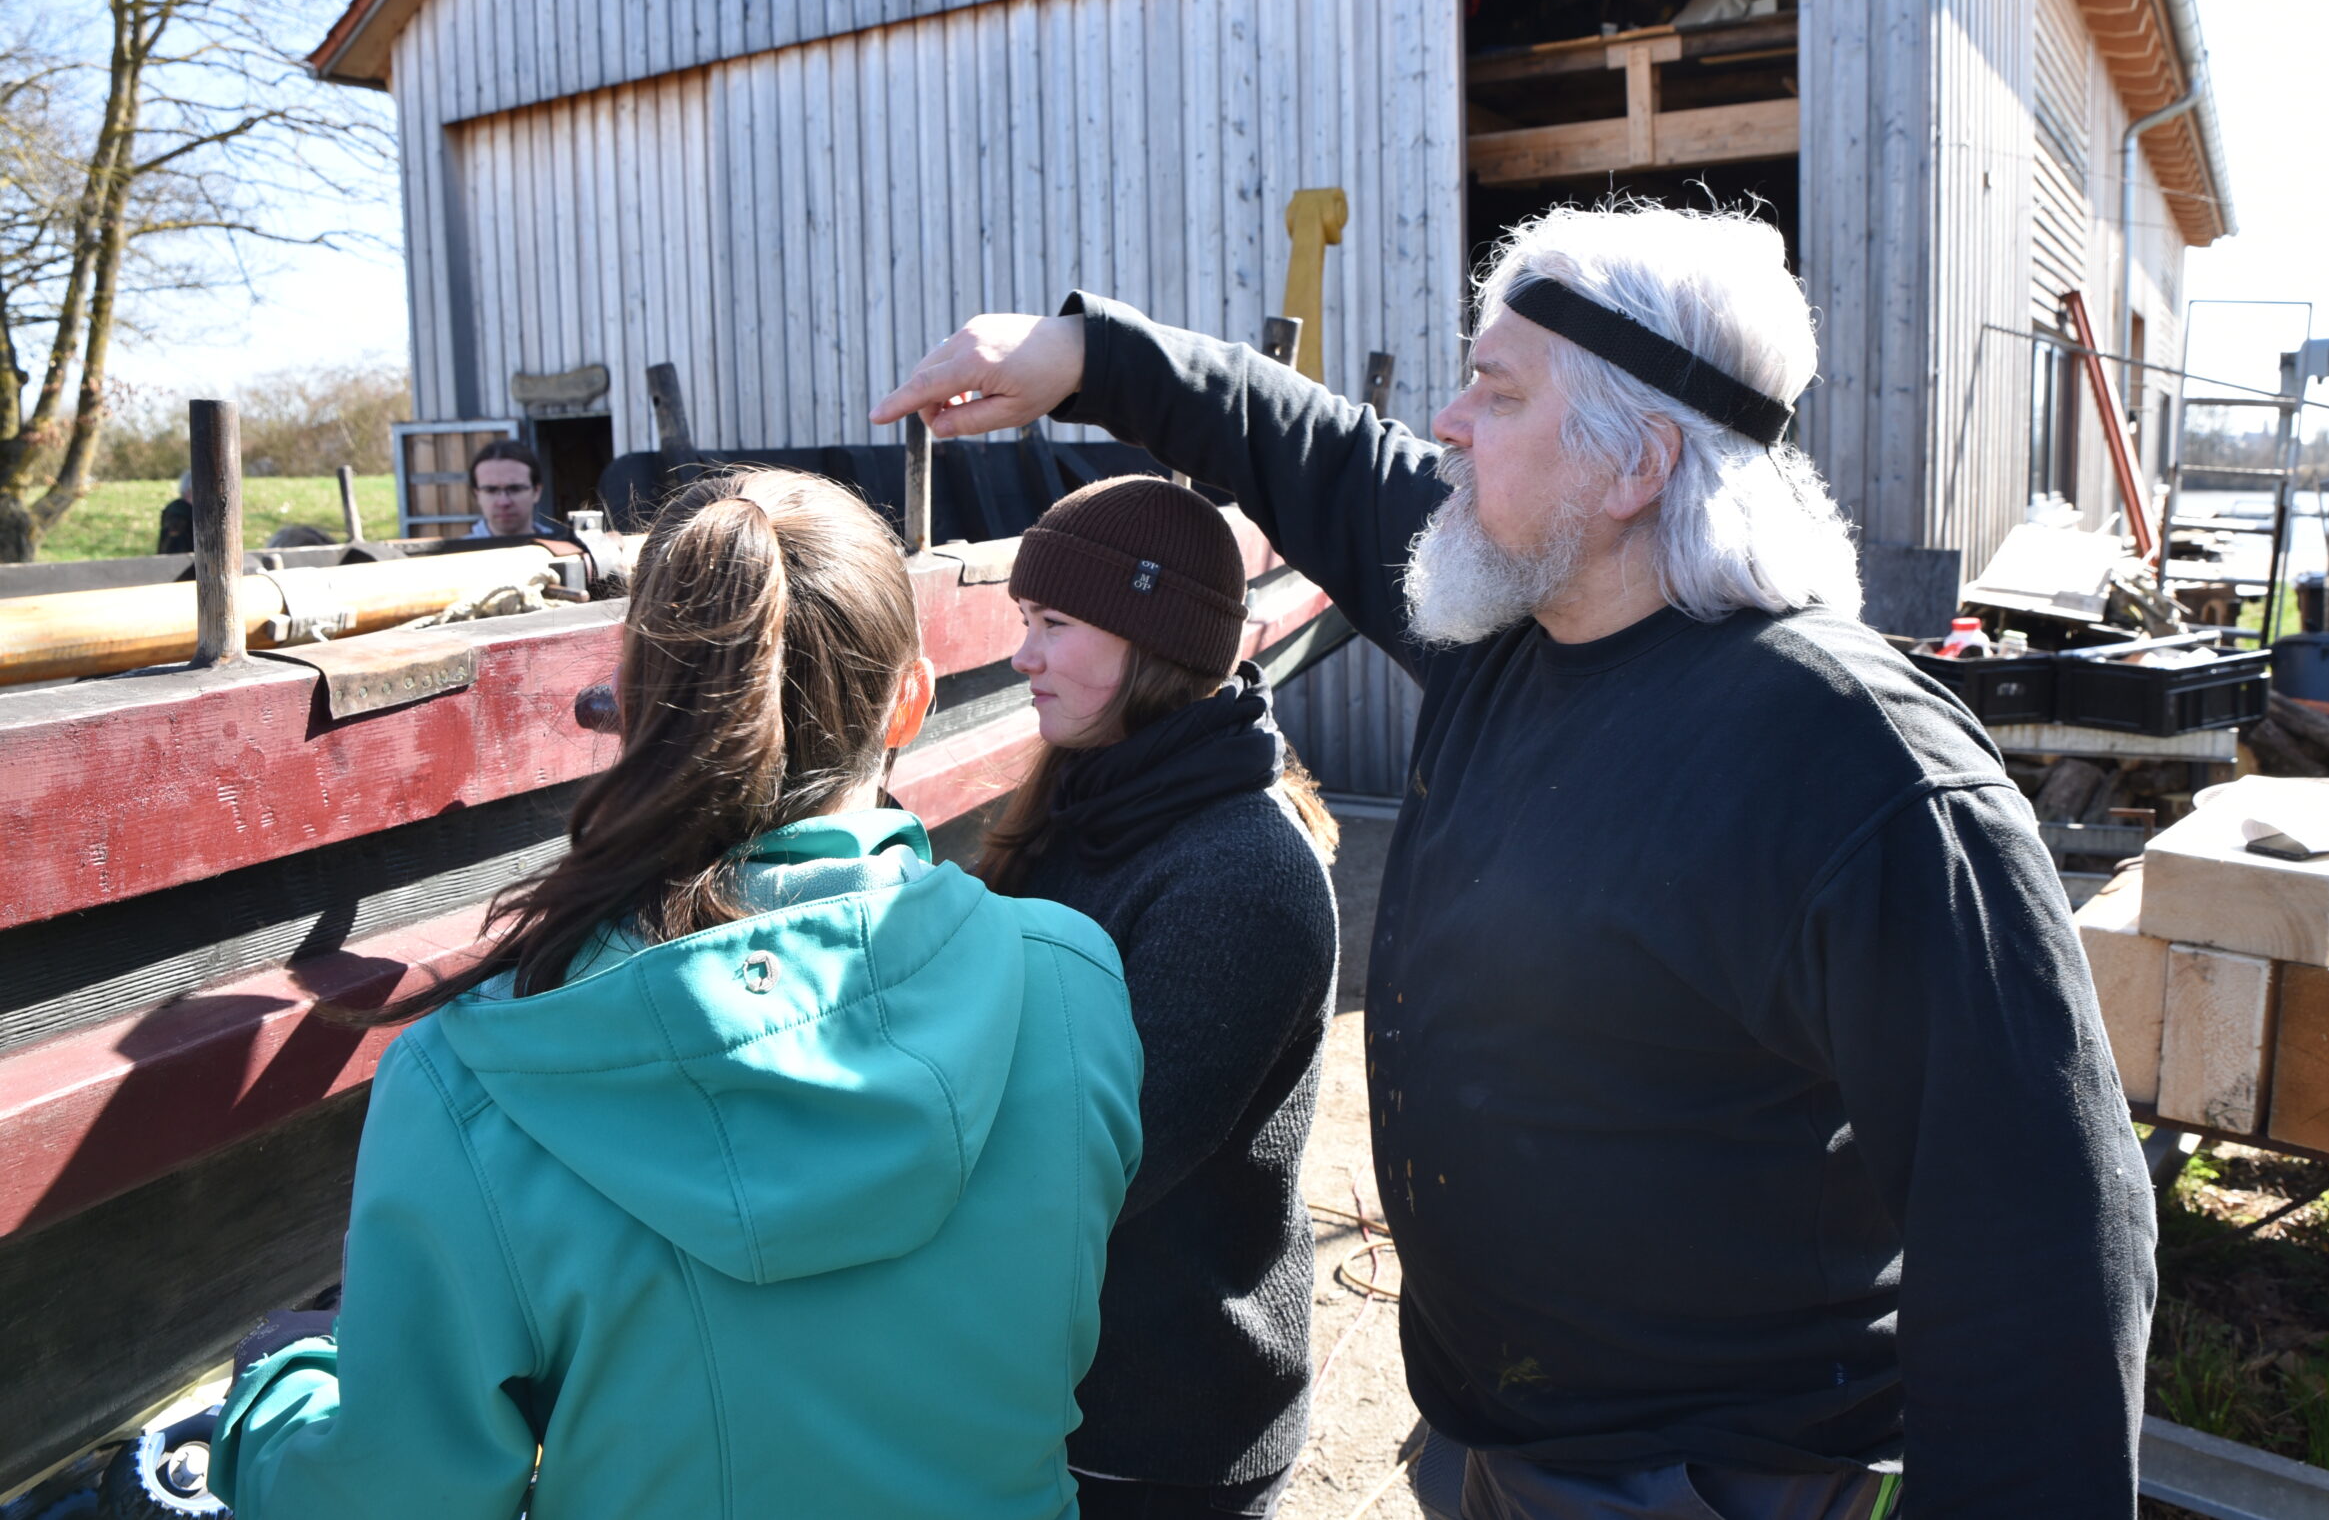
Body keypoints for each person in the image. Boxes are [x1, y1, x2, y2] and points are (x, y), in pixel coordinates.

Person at [874, 203, 2157, 1520]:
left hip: (1726, 1479)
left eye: (1493, 389)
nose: (1445, 423)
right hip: (1500, 1449)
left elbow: (2046, 1236)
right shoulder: (1514, 635)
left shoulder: (1851, 765)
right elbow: (1315, 454)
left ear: (1634, 465)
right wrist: (1090, 357)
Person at [210, 468, 1144, 1520]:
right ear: (913, 700)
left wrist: (272, 1391)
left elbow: (388, 1498)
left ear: (632, 708)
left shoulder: (471, 1071)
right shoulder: (1070, 977)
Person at [975, 475, 1340, 1520]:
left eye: (1052, 623)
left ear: (1153, 638)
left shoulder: (1238, 874)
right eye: (1022, 620)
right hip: (1065, 1385)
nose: (1021, 654)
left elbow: (1102, 1167)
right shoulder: (1090, 792)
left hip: (1162, 1427)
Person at [466, 437, 563, 537]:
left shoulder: (566, 550)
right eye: (491, 490)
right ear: (477, 495)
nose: (503, 502)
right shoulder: (458, 552)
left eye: (515, 489)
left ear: (536, 492)